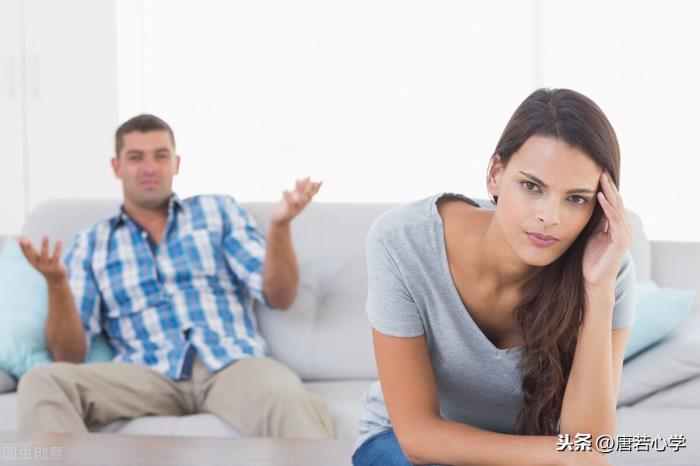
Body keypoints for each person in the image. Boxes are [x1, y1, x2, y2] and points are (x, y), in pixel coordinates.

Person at [352, 88, 635, 465]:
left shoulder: (606, 268)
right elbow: (418, 436)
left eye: (576, 198)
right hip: (402, 447)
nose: (549, 216)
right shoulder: (402, 241)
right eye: (532, 186)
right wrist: (561, 455)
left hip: (530, 453)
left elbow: (589, 445)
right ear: (495, 174)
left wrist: (597, 292)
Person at [16, 114, 334, 439]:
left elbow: (279, 296)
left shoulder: (218, 211)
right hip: (145, 374)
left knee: (288, 398)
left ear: (176, 163)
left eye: (161, 155)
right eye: (136, 157)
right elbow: (68, 354)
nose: (149, 167)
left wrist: (280, 228)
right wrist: (56, 284)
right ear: (117, 167)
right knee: (42, 381)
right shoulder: (92, 243)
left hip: (230, 363)